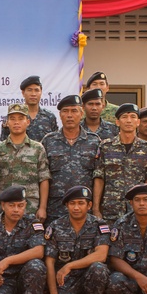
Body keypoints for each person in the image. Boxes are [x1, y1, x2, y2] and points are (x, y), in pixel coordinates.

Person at [43, 185, 110, 294]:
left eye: (81, 203)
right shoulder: (56, 226)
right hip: (65, 281)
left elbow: (101, 254)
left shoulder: (99, 225)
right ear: (67, 205)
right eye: (72, 203)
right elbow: (49, 263)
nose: (76, 207)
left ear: (89, 205)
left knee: (99, 269)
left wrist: (69, 265)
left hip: (89, 277)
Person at [41, 94, 101, 223]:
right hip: (55, 208)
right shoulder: (48, 141)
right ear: (60, 115)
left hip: (85, 208)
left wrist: (96, 208)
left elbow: (98, 176)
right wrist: (42, 207)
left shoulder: (94, 141)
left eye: (74, 111)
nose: (69, 115)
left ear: (81, 114)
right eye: (65, 111)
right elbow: (43, 176)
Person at [93, 103, 147, 223]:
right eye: (124, 117)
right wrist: (96, 208)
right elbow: (99, 177)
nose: (128, 121)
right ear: (117, 122)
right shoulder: (106, 146)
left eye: (133, 117)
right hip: (111, 208)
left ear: (138, 122)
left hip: (138, 208)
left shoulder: (146, 147)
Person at [0, 103, 50, 221]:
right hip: (4, 208)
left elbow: (44, 179)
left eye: (21, 119)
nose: (16, 122)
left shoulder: (37, 148)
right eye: (12, 119)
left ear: (28, 122)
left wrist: (42, 208)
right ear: (7, 122)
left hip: (30, 208)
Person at [0, 75, 57, 142]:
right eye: (29, 90)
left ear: (41, 92)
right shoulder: (13, 117)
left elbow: (55, 142)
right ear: (23, 93)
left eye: (36, 90)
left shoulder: (49, 117)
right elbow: (4, 142)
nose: (33, 94)